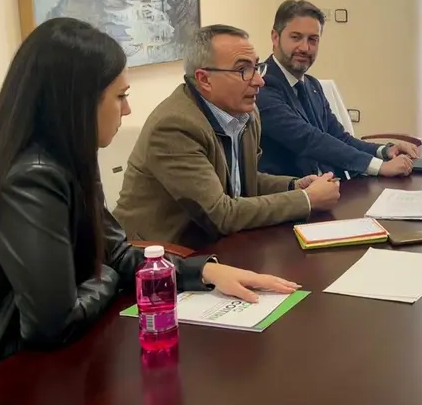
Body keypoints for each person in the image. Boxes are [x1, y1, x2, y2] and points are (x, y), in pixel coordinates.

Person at [0, 18, 300, 370]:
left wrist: (205, 272)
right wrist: (113, 277)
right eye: (120, 97)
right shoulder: (33, 179)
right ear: (77, 102)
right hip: (11, 378)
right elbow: (53, 325)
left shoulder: (70, 160)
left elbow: (117, 251)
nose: (128, 110)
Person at [113, 24, 341, 249]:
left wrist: (294, 186)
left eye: (257, 67)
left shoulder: (247, 112)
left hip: (218, 246)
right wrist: (307, 200)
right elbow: (220, 214)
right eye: (243, 70)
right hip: (158, 260)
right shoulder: (175, 126)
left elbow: (242, 180)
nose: (259, 81)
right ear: (204, 79)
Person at [257, 0, 416, 178]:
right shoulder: (260, 85)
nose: (305, 47)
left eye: (313, 39)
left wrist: (385, 151)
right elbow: (309, 140)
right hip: (292, 198)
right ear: (275, 37)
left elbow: (339, 138)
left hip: (332, 190)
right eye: (295, 37)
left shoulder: (312, 85)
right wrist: (379, 167)